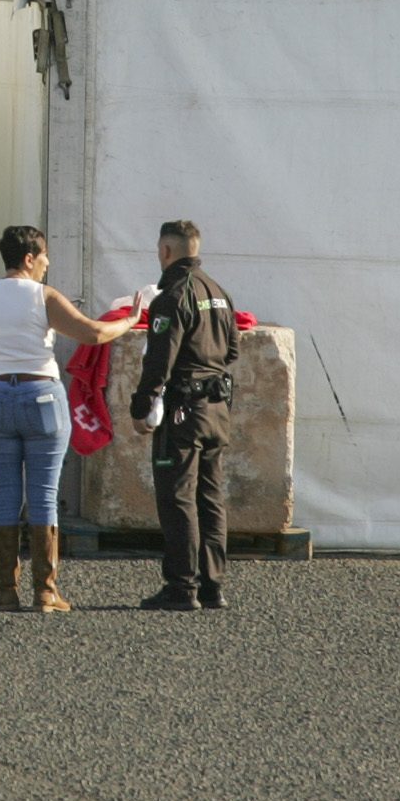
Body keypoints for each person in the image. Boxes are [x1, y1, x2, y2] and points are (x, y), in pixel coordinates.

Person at [0, 225, 130, 613]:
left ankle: (4, 591)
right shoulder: (42, 295)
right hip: (42, 396)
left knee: (4, 498)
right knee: (44, 496)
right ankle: (46, 593)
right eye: (45, 257)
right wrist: (130, 320)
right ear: (30, 258)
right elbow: (94, 334)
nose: (47, 265)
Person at [131, 219, 240, 612]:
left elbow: (160, 360)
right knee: (210, 497)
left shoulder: (173, 295)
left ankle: (181, 587)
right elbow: (231, 352)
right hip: (216, 409)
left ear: (166, 251)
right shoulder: (218, 292)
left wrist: (142, 406)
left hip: (182, 410)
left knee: (178, 498)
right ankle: (212, 586)